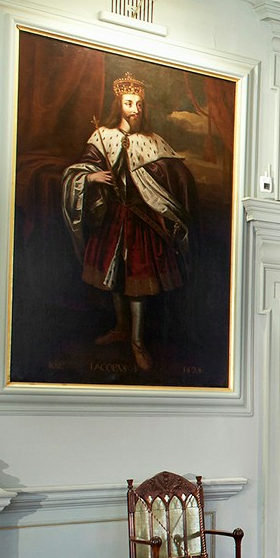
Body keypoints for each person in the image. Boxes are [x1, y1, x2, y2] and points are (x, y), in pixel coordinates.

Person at [61, 72, 197, 372]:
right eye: (128, 103)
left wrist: (154, 175)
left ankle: (137, 341)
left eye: (139, 104)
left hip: (141, 219)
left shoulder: (152, 141)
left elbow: (176, 177)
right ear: (118, 104)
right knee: (116, 279)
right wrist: (92, 177)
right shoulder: (103, 136)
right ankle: (121, 328)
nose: (135, 109)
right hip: (112, 217)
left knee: (138, 283)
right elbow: (79, 170)